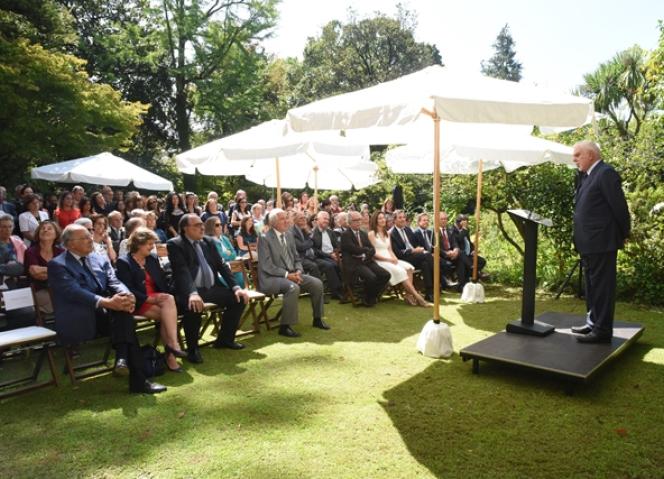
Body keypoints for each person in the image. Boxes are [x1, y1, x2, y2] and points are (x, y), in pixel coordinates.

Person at [48, 224, 166, 394]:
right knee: (124, 318)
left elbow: (114, 281)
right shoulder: (58, 265)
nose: (91, 240)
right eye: (85, 238)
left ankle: (124, 361)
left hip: (108, 314)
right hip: (81, 317)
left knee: (124, 313)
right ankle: (130, 370)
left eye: (90, 236)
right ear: (70, 244)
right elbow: (74, 292)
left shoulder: (98, 258)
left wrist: (126, 295)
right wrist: (106, 302)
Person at [167, 214, 249, 363]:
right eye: (197, 225)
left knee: (239, 298)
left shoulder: (208, 242)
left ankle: (225, 339)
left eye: (202, 224)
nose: (202, 227)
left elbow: (222, 266)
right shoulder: (175, 244)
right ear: (185, 229)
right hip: (187, 290)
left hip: (210, 288)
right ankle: (193, 350)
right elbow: (182, 271)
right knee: (193, 306)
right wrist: (192, 293)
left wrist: (236, 287)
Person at [571, 141, 631, 343]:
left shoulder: (605, 173)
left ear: (590, 155)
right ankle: (592, 323)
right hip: (588, 242)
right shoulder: (587, 176)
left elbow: (619, 207)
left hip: (602, 242)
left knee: (602, 287)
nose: (574, 159)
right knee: (591, 286)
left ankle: (602, 330)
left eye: (578, 155)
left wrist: (624, 233)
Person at [116, 228, 187, 372]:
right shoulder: (124, 262)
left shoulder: (152, 259)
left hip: (159, 299)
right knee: (168, 315)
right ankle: (172, 349)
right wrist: (148, 298)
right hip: (138, 300)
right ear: (138, 244)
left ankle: (172, 351)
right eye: (148, 243)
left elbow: (161, 281)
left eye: (152, 243)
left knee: (167, 306)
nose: (152, 246)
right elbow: (127, 288)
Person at [257, 208, 329, 337]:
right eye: (282, 219)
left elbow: (296, 258)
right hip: (271, 278)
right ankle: (285, 327)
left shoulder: (289, 235)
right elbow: (267, 266)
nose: (287, 221)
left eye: (287, 218)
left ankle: (317, 319)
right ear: (273, 223)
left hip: (292, 274)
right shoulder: (264, 239)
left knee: (317, 283)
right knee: (293, 288)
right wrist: (287, 275)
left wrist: (298, 271)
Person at [368, 211, 428, 307]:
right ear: (375, 220)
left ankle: (408, 295)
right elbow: (374, 254)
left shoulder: (387, 233)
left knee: (409, 268)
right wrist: (388, 260)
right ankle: (417, 297)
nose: (383, 220)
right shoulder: (371, 234)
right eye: (380, 218)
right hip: (380, 261)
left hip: (390, 259)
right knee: (401, 271)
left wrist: (394, 259)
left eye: (383, 218)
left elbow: (390, 249)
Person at [340, 211, 390, 307]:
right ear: (349, 222)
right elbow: (353, 249)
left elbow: (372, 249)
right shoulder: (345, 235)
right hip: (354, 263)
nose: (359, 222)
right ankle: (369, 298)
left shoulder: (363, 233)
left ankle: (370, 295)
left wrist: (366, 252)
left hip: (366, 261)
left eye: (360, 219)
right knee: (371, 277)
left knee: (385, 275)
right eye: (356, 220)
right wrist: (365, 250)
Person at [390, 210, 435, 302]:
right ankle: (438, 283)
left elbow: (415, 244)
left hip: (415, 257)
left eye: (404, 217)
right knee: (427, 256)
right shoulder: (391, 233)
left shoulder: (408, 229)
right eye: (400, 217)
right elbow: (398, 253)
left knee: (425, 263)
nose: (403, 219)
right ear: (394, 220)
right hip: (402, 259)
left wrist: (418, 249)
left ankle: (429, 292)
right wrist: (413, 250)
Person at [24, 220, 63, 314]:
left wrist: (46, 271)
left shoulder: (61, 252)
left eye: (49, 228)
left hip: (59, 289)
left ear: (56, 234)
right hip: (39, 290)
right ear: (38, 233)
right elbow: (36, 273)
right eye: (42, 228)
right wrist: (57, 271)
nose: (45, 230)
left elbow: (67, 272)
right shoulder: (31, 251)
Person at [311, 211, 346, 302]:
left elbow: (337, 245)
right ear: (317, 220)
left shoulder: (330, 232)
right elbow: (314, 250)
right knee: (330, 265)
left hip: (332, 255)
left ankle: (346, 288)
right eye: (324, 218)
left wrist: (335, 253)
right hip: (319, 257)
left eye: (328, 219)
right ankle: (336, 292)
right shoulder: (313, 233)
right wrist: (329, 255)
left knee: (344, 263)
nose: (326, 221)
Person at [203, 217, 244, 287]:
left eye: (221, 224)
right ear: (210, 227)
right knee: (225, 280)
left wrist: (227, 255)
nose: (220, 226)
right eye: (217, 225)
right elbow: (219, 255)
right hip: (219, 268)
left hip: (232, 265)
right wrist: (228, 253)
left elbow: (234, 253)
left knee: (240, 278)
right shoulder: (208, 241)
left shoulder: (225, 238)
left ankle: (240, 295)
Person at [452, 214, 486, 279]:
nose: (466, 224)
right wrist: (464, 229)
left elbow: (469, 242)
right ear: (460, 223)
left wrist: (473, 249)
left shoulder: (466, 230)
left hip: (468, 254)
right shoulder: (452, 230)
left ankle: (474, 272)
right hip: (459, 255)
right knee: (468, 264)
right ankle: (476, 273)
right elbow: (459, 239)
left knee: (482, 261)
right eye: (465, 223)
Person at [0, 214, 27, 289]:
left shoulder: (18, 242)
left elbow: (25, 264)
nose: (7, 229)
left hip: (18, 279)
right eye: (4, 227)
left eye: (10, 226)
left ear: (13, 227)